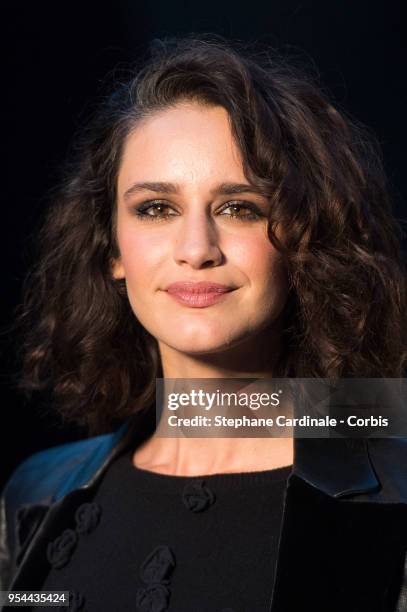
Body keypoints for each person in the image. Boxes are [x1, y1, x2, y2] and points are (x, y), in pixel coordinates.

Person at [1, 35, 407, 612]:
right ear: (113, 249)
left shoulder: (396, 495)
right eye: (156, 209)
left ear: (302, 240)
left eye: (239, 207)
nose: (196, 249)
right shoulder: (34, 494)